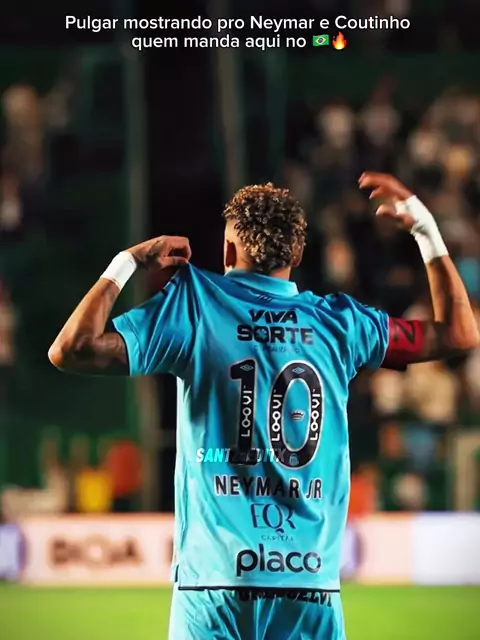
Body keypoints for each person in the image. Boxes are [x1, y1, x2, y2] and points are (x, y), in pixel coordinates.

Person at [48, 173, 479, 640]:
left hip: (213, 586)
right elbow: (459, 334)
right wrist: (425, 229)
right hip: (309, 588)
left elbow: (71, 349)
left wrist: (127, 262)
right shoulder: (341, 323)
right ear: (298, 254)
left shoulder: (196, 306)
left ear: (227, 252)